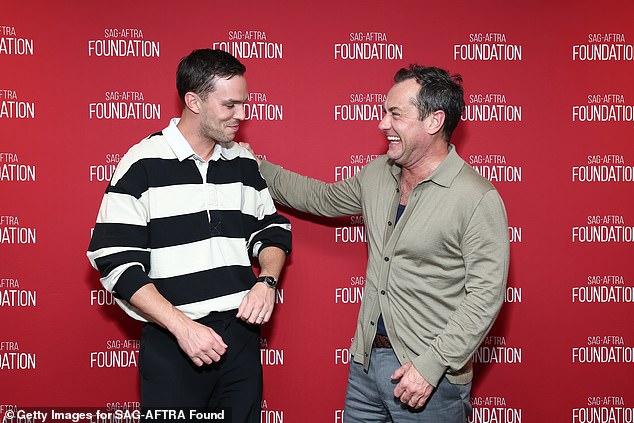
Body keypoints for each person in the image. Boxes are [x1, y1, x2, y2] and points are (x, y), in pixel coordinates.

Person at [242, 65, 509, 422]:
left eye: (395, 114)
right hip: (366, 367)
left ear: (434, 121)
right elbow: (321, 197)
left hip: (431, 378)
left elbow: (485, 296)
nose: (382, 124)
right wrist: (256, 167)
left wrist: (430, 367)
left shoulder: (476, 197)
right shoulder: (378, 173)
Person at [87, 49, 291, 421]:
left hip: (240, 341)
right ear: (193, 101)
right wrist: (182, 328)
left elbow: (272, 230)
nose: (241, 115)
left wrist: (267, 280)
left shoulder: (243, 163)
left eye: (244, 104)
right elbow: (114, 259)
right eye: (230, 105)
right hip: (173, 345)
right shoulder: (142, 162)